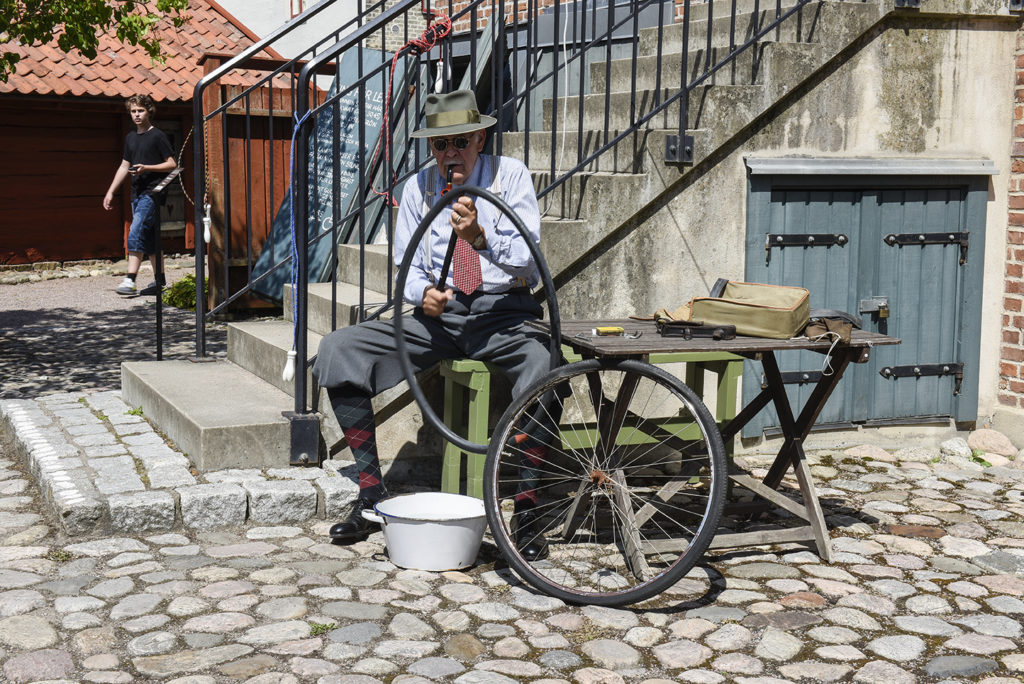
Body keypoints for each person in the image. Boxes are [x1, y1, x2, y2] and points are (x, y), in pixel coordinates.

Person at [312, 90, 552, 560]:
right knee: (339, 349)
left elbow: (530, 261)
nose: (449, 154)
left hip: (501, 314)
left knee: (544, 368)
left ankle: (526, 509)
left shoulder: (510, 176)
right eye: (439, 146)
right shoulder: (418, 188)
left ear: (479, 138)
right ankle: (371, 497)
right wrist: (423, 294)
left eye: (459, 142)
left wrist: (479, 238)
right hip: (438, 319)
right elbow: (405, 265)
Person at [103, 94, 176, 296]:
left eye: (140, 110)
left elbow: (172, 164)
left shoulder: (158, 136)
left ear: (149, 111)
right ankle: (159, 283)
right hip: (136, 193)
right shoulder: (131, 138)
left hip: (153, 193)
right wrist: (111, 191)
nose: (136, 114)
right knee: (151, 240)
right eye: (133, 111)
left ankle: (130, 280)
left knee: (135, 230)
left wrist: (147, 168)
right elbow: (124, 165)